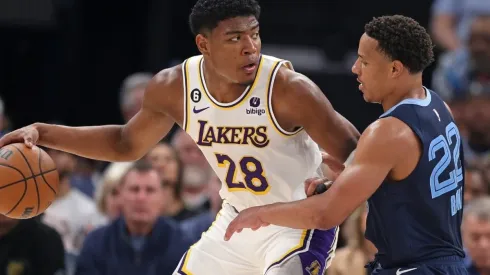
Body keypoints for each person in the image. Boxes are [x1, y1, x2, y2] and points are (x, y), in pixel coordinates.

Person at [0, 0, 359, 274]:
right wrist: (44, 133)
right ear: (204, 44)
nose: (251, 46)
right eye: (235, 38)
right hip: (236, 219)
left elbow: (358, 153)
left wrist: (336, 182)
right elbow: (125, 144)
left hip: (296, 224)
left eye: (255, 33)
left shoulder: (287, 88)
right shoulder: (176, 88)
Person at [225, 15, 469, 275]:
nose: (355, 68)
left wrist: (260, 213)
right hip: (445, 265)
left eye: (364, 61)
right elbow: (417, 189)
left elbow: (325, 214)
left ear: (395, 69)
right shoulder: (438, 106)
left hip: (414, 268)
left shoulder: (389, 131)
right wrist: (349, 177)